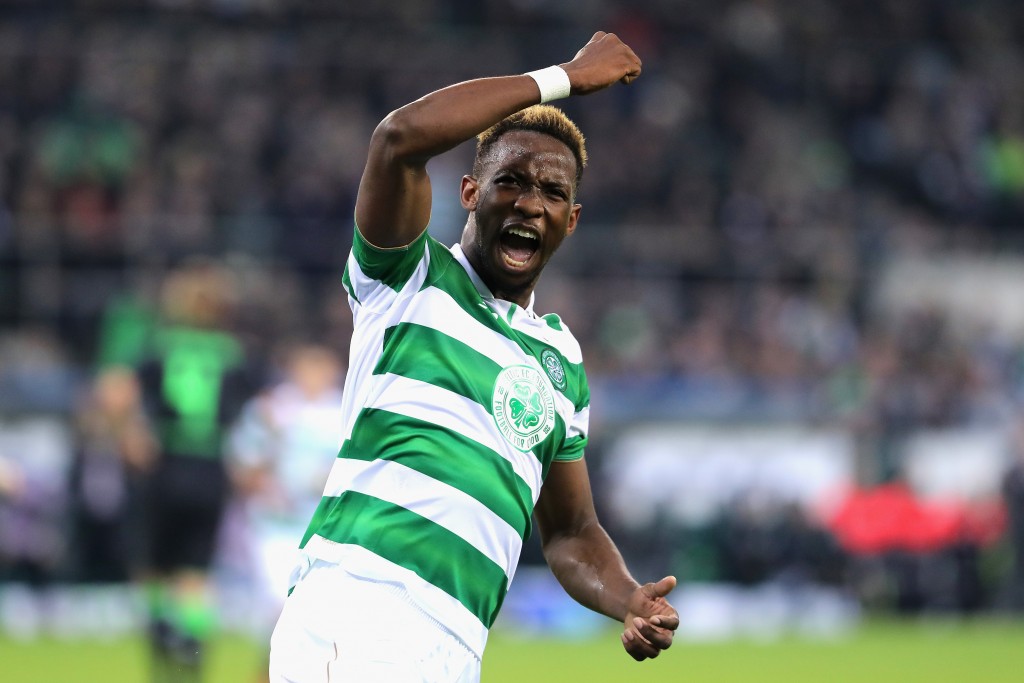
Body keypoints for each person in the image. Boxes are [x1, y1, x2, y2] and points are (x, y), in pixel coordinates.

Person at [269, 31, 679, 682]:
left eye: (551, 192)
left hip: (458, 642)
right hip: (363, 602)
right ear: (468, 192)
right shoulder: (408, 277)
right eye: (510, 181)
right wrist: (565, 77)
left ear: (571, 220)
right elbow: (399, 138)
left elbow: (570, 532)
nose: (529, 203)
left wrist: (627, 596)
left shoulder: (561, 363)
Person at [135, 261, 263, 683]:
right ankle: (192, 659)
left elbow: (118, 393)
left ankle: (160, 656)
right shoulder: (232, 354)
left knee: (157, 567)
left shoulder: (160, 346)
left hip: (166, 461)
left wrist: (131, 435)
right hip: (211, 467)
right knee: (196, 572)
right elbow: (256, 413)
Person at [227, 344, 346, 681]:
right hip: (276, 528)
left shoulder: (344, 412)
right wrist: (269, 474)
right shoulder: (271, 409)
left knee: (322, 618)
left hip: (325, 530)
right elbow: (242, 467)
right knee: (281, 610)